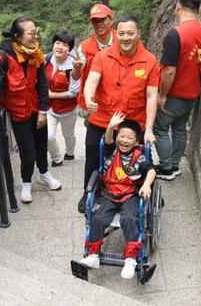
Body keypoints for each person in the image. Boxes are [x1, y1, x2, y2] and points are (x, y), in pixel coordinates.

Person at [78, 15, 160, 213]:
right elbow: (91, 81)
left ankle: (139, 190)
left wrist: (148, 128)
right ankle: (88, 192)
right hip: (103, 118)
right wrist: (89, 98)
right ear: (117, 33)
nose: (125, 38)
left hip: (132, 122)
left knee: (137, 157)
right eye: (121, 33)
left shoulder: (149, 61)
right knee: (92, 152)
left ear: (139, 34)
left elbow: (151, 96)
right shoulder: (103, 56)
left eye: (130, 33)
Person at [0, 16, 62, 204]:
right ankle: (26, 182)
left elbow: (42, 84)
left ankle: (44, 174)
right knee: (28, 153)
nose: (35, 36)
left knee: (42, 147)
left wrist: (43, 110)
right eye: (31, 33)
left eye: (36, 32)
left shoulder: (36, 54)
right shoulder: (2, 58)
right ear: (17, 36)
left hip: (37, 109)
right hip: (19, 114)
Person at [78, 113, 157, 279]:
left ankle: (130, 259)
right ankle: (93, 255)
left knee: (129, 218)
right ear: (117, 138)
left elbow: (151, 170)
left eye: (129, 138)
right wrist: (110, 127)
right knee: (97, 217)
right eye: (122, 136)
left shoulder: (139, 157)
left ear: (136, 142)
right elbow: (107, 140)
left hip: (130, 194)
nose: (125, 140)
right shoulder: (111, 150)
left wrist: (146, 184)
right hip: (109, 193)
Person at [154, 0, 201, 180]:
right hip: (192, 93)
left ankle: (166, 168)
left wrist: (162, 94)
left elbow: (169, 70)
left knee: (160, 128)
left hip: (175, 93)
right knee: (180, 128)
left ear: (178, 7)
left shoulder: (175, 34)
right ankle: (175, 165)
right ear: (199, 9)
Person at [72, 4, 117, 212]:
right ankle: (88, 191)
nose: (99, 24)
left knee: (124, 147)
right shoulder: (84, 46)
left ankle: (130, 188)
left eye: (103, 20)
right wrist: (76, 71)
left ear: (111, 19)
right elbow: (77, 78)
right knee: (92, 149)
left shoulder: (122, 38)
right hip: (95, 106)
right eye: (94, 21)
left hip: (120, 103)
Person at [45, 30, 79, 167]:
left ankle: (70, 152)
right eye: (57, 43)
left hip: (68, 109)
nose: (60, 47)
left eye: (64, 45)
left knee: (68, 135)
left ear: (69, 49)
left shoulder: (74, 66)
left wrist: (51, 95)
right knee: (48, 136)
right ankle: (57, 158)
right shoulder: (46, 60)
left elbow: (73, 92)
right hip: (49, 108)